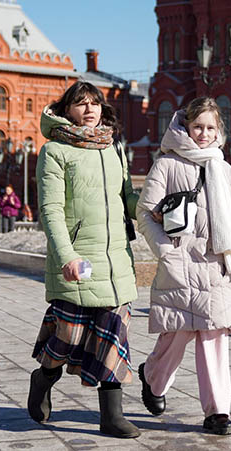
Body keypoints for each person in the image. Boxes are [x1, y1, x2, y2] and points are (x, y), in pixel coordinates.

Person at [27, 81, 140, 438]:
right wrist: (67, 256)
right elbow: (51, 210)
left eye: (95, 103)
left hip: (115, 259)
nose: (89, 109)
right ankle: (43, 379)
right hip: (78, 260)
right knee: (67, 338)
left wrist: (157, 211)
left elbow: (127, 199)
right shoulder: (55, 151)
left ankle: (111, 416)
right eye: (80, 103)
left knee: (113, 337)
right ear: (66, 110)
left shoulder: (113, 147)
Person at [136, 97, 231, 436]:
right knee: (178, 333)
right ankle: (153, 378)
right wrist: (166, 252)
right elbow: (145, 213)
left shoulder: (223, 168)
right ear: (185, 126)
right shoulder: (167, 165)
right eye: (198, 126)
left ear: (219, 131)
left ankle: (218, 412)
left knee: (214, 334)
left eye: (210, 127)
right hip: (180, 261)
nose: (203, 133)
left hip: (215, 264)